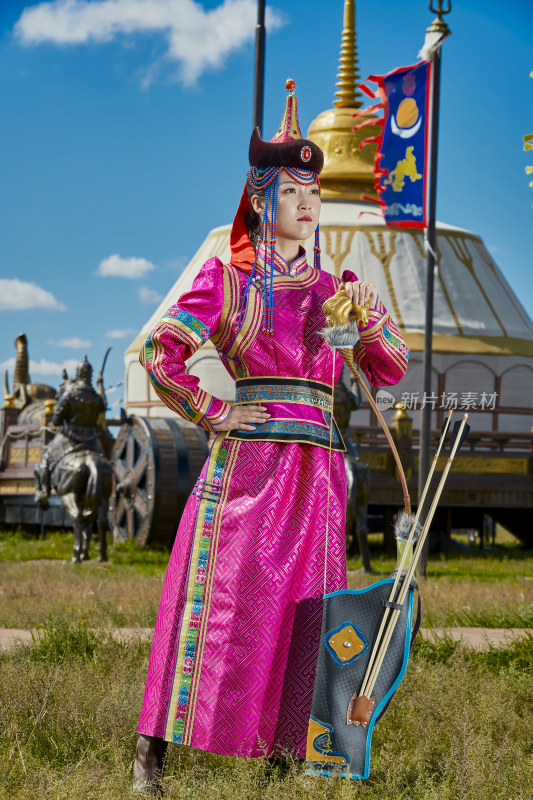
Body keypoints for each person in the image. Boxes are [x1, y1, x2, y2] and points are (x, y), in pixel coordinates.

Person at [133, 80, 409, 793]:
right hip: (248, 467)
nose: (307, 205)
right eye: (291, 193)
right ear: (260, 202)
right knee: (219, 603)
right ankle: (151, 754)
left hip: (317, 471)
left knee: (307, 608)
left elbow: (388, 372)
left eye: (312, 193)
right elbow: (160, 350)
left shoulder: (333, 288)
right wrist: (212, 411)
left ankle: (285, 754)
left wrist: (371, 318)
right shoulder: (228, 283)